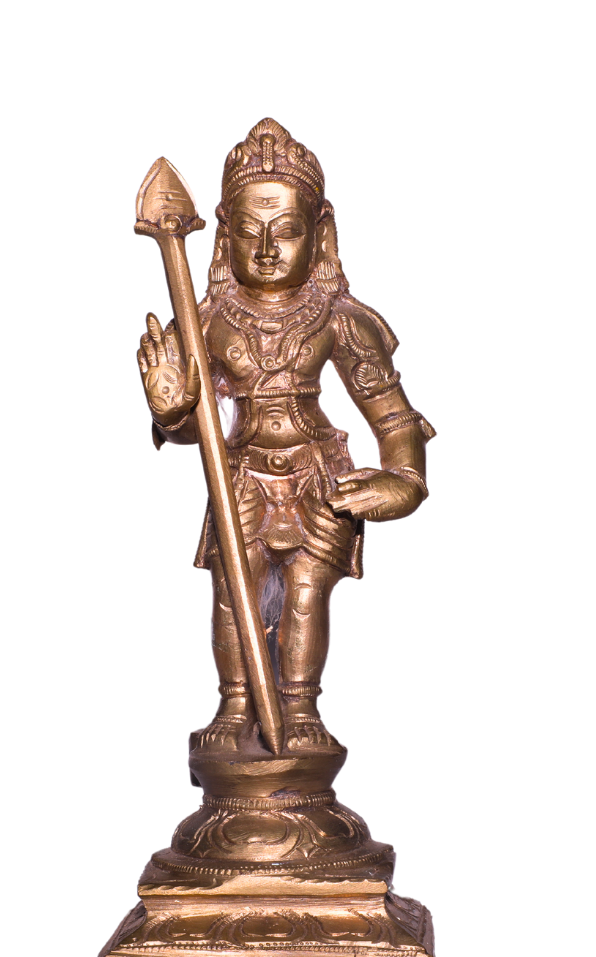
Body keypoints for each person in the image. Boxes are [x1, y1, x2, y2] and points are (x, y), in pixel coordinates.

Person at [134, 118, 435, 752]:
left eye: (287, 230)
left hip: (316, 472)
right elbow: (195, 429)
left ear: (320, 234)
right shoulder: (208, 320)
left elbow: (393, 416)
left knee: (305, 591)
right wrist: (171, 409)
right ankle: (234, 704)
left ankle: (299, 708)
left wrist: (403, 478)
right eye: (250, 231)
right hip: (241, 472)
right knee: (231, 589)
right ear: (224, 237)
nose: (268, 249)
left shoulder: (340, 319)